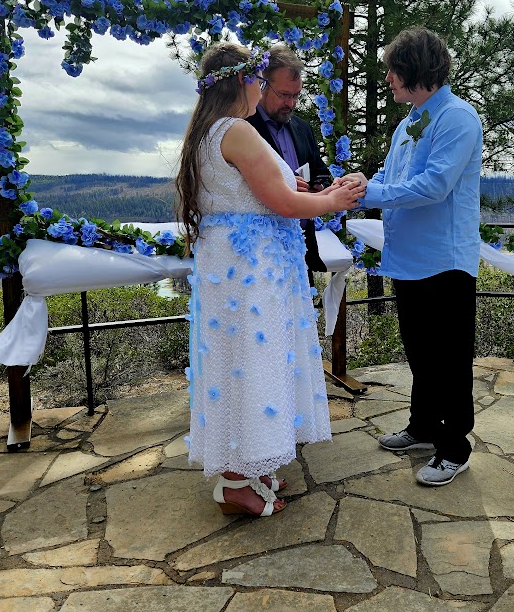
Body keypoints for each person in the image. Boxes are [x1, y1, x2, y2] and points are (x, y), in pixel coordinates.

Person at [175, 42, 362, 516]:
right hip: (252, 272)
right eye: (259, 80)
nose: (261, 89)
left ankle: (248, 465)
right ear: (244, 81)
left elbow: (252, 193)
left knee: (239, 363)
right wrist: (334, 201)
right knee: (254, 362)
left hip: (233, 267)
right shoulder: (237, 130)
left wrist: (297, 187)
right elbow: (282, 204)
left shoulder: (206, 132)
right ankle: (236, 484)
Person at [341, 27, 482, 487]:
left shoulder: (457, 118)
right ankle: (422, 426)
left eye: (393, 71)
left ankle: (455, 447)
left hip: (444, 260)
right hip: (408, 258)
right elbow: (390, 173)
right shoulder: (410, 121)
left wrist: (370, 194)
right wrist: (363, 182)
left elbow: (435, 186)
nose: (387, 79)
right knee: (420, 352)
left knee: (449, 359)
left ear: (416, 70)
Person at [247, 44, 333, 274]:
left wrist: (320, 184)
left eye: (296, 95)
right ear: (262, 85)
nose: (291, 104)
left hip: (302, 253)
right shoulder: (244, 127)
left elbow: (320, 171)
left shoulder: (302, 128)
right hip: (262, 255)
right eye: (284, 95)